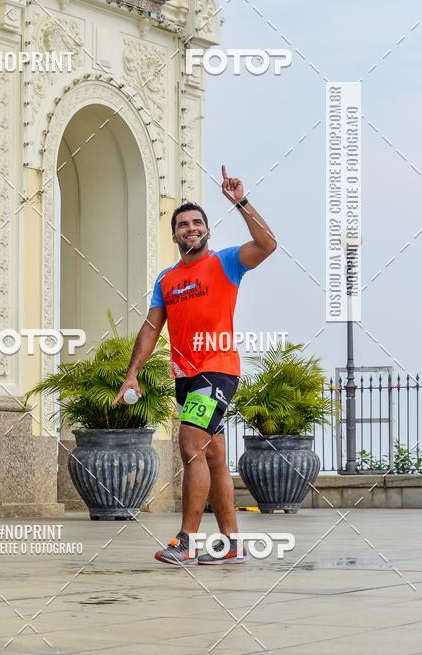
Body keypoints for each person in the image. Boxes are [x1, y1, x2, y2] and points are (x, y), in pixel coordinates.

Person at [113, 166, 277, 565]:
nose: (191, 228)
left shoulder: (227, 262)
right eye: (183, 224)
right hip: (185, 376)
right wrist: (132, 372)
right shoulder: (166, 279)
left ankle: (186, 540)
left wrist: (240, 201)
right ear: (174, 235)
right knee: (213, 456)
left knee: (190, 446)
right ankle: (231, 544)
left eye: (197, 223)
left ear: (207, 230)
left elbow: (268, 244)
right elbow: (152, 328)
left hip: (218, 369)